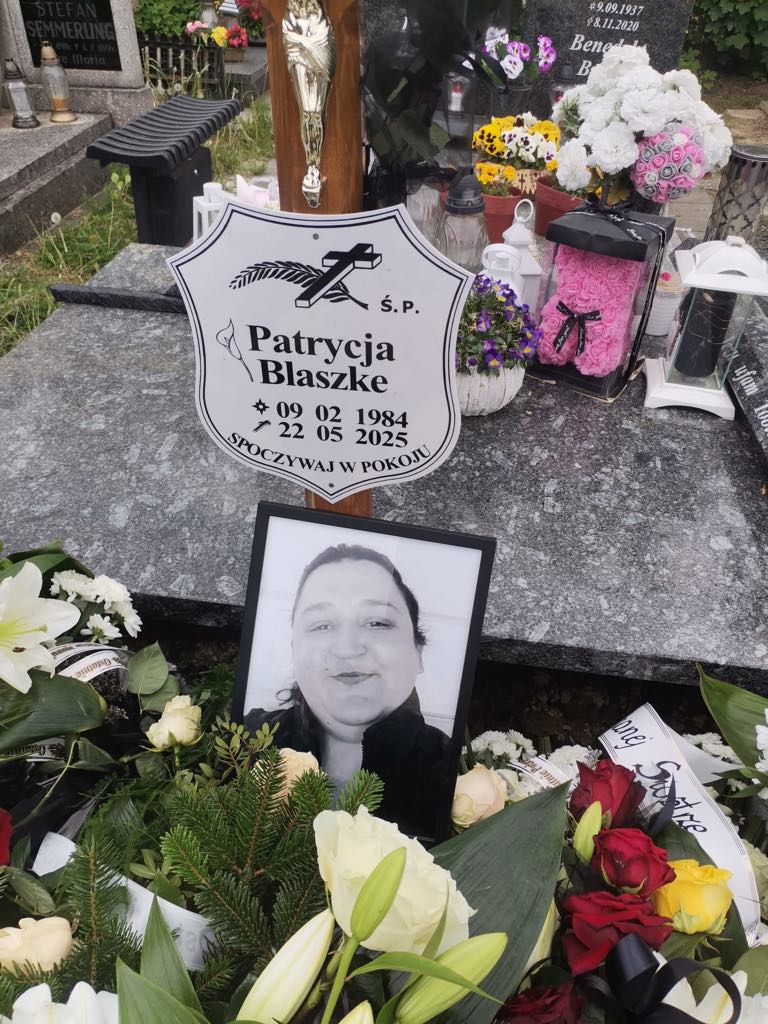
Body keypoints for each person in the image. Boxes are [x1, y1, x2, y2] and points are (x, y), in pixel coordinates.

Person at [245, 543, 453, 838]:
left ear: (417, 652)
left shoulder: (453, 774)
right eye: (321, 625)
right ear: (295, 650)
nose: (347, 648)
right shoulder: (243, 743)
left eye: (377, 622)